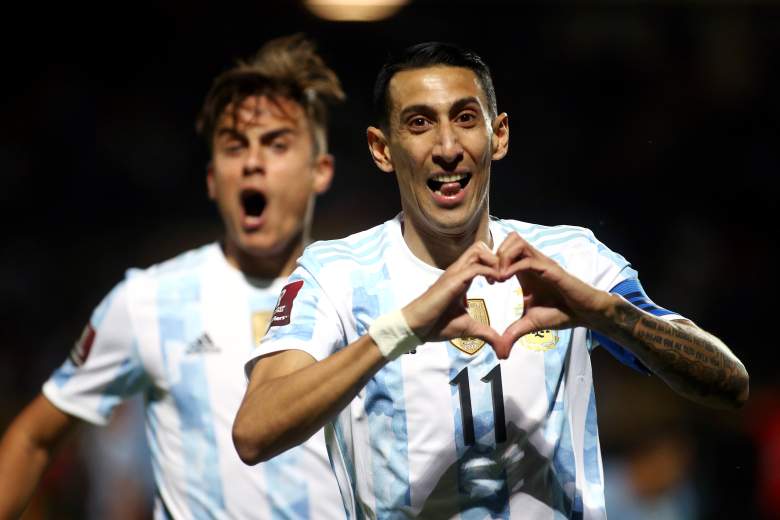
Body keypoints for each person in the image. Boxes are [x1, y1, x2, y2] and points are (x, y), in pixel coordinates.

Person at [233, 41, 749, 519]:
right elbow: (255, 431)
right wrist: (398, 331)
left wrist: (604, 312)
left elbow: (730, 384)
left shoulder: (571, 257)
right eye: (419, 123)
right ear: (381, 148)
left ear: (498, 134)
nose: (448, 146)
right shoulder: (336, 275)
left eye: (465, 118)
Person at [0, 34, 346, 519]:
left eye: (276, 144)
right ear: (212, 178)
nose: (252, 162)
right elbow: (33, 438)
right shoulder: (150, 300)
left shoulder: (363, 292)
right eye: (234, 146)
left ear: (320, 170)